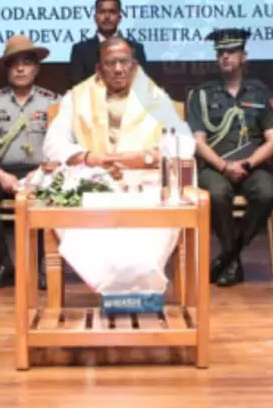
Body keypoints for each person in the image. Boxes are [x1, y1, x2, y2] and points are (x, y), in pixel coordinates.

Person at [44, 37, 193, 296]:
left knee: (155, 217)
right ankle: (110, 286)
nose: (118, 69)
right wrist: (88, 157)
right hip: (94, 181)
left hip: (143, 184)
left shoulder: (154, 96)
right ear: (98, 69)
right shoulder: (77, 96)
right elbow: (52, 144)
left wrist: (148, 158)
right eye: (110, 63)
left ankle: (138, 285)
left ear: (134, 66)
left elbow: (184, 142)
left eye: (124, 62)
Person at [186, 28, 273, 287]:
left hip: (253, 165)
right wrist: (224, 166)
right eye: (220, 53)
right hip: (216, 167)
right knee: (216, 195)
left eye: (231, 52)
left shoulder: (260, 93)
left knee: (269, 192)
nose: (225, 57)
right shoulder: (202, 95)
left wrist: (247, 164)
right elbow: (197, 142)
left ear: (244, 56)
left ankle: (229, 255)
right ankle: (232, 259)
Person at [0, 35, 57, 291]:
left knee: (52, 194)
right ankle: (4, 264)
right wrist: (1, 176)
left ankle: (39, 266)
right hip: (2, 171)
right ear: (6, 69)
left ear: (36, 68)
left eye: (26, 63)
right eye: (14, 64)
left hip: (40, 172)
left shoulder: (53, 102)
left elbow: (61, 147)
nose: (20, 69)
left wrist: (38, 175)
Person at [68, 0, 148, 86]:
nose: (107, 16)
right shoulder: (80, 50)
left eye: (112, 12)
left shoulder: (136, 48)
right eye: (102, 12)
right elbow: (77, 86)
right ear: (95, 17)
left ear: (119, 18)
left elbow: (142, 85)